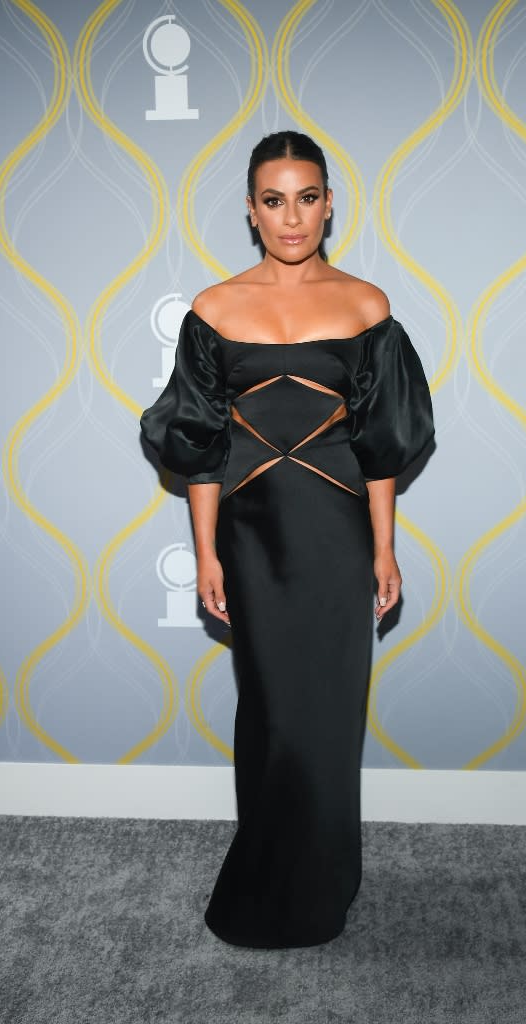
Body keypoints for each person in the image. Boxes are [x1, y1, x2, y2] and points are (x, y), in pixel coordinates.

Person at [140, 130, 435, 949]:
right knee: (272, 714)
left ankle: (325, 880)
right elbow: (198, 449)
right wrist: (205, 553)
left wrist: (382, 548)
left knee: (329, 717)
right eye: (273, 200)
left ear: (329, 203)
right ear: (250, 210)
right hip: (253, 539)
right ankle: (267, 878)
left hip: (338, 539)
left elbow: (381, 449)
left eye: (307, 197)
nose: (291, 216)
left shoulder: (366, 306)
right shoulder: (214, 309)